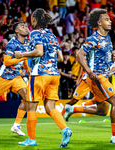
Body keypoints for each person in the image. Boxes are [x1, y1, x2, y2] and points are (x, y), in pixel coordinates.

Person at [64, 8, 115, 144]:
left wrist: (112, 57)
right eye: (107, 19)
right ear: (99, 23)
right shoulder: (93, 38)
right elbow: (79, 55)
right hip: (97, 77)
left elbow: (102, 55)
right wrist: (89, 71)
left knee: (102, 110)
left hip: (104, 75)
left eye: (110, 19)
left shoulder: (107, 37)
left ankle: (72, 108)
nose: (110, 22)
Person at [15, 8, 72, 147]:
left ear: (34, 20)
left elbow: (39, 52)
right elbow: (59, 57)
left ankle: (31, 139)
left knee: (31, 107)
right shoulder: (52, 35)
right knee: (50, 107)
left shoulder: (35, 33)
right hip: (54, 75)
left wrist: (22, 55)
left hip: (39, 74)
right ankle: (65, 129)